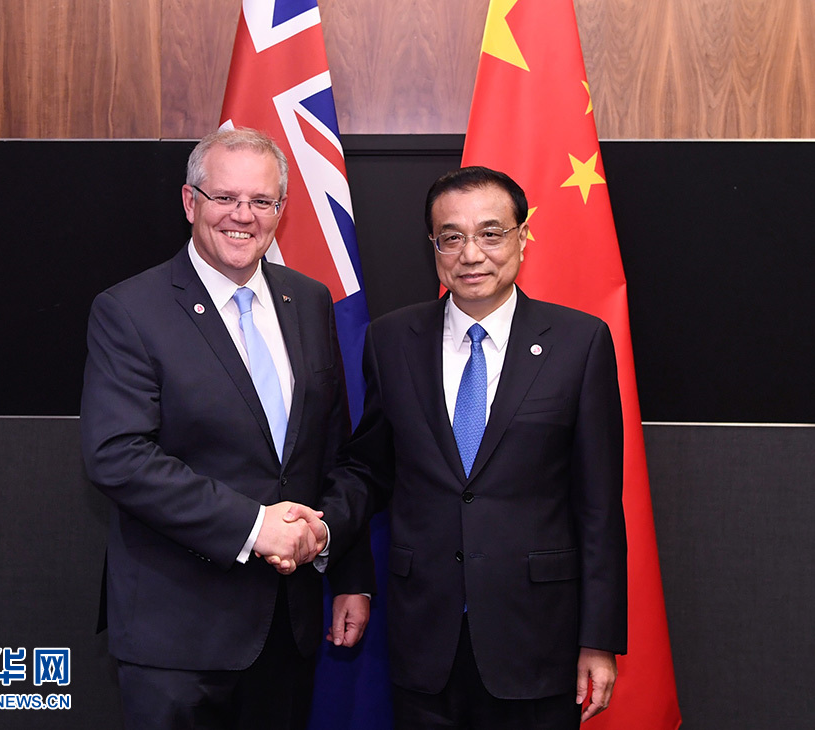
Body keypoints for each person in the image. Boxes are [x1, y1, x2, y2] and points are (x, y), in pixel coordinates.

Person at [80, 127, 373, 730]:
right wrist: (255, 526)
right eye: (226, 198)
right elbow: (118, 455)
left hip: (287, 629)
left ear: (280, 211)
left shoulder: (309, 301)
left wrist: (343, 566)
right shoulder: (129, 310)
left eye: (261, 201)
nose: (243, 216)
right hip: (177, 635)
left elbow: (332, 451)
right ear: (191, 202)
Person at [314, 166, 627, 729]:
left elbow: (599, 505)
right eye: (452, 237)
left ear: (523, 237)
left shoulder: (579, 343)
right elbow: (368, 471)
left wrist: (599, 640)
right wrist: (331, 544)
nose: (471, 254)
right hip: (424, 636)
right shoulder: (390, 340)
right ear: (433, 246)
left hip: (536, 638)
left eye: (491, 233)